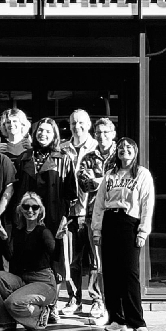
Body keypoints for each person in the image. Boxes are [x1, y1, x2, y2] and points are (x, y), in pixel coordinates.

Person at [12, 117, 77, 323]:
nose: (43, 134)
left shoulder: (63, 158)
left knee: (54, 262)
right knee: (26, 259)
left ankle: (52, 305)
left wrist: (65, 220)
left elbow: (70, 193)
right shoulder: (24, 157)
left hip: (53, 218)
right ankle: (28, 302)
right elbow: (15, 190)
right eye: (40, 131)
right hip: (27, 218)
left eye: (48, 131)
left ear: (55, 135)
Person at [91, 137, 155, 331]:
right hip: (110, 222)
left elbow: (147, 204)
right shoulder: (109, 175)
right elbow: (99, 204)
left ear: (135, 152)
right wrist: (96, 230)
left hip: (130, 224)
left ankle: (137, 322)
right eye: (120, 147)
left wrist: (143, 232)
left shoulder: (142, 174)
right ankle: (116, 319)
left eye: (128, 147)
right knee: (110, 273)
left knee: (129, 274)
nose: (123, 150)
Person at [0, 192, 56, 331]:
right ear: (21, 209)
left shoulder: (44, 232)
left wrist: (61, 239)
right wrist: (3, 238)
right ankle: (5, 322)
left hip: (43, 282)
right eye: (26, 207)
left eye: (34, 207)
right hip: (23, 280)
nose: (30, 210)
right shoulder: (18, 232)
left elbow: (55, 255)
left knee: (12, 303)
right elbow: (11, 258)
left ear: (40, 210)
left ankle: (40, 314)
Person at [78, 117, 118, 321]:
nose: (102, 136)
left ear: (113, 134)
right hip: (94, 214)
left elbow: (124, 180)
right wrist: (106, 181)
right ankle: (97, 301)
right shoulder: (88, 156)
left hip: (118, 214)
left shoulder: (122, 155)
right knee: (96, 261)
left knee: (116, 260)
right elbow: (84, 183)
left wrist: (99, 180)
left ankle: (115, 303)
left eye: (106, 132)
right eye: (99, 132)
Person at [60, 109, 98, 317]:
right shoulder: (63, 148)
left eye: (82, 123)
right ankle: (74, 299)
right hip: (70, 213)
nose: (77, 126)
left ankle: (96, 300)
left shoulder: (97, 148)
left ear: (89, 124)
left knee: (94, 260)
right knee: (71, 260)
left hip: (91, 212)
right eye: (74, 123)